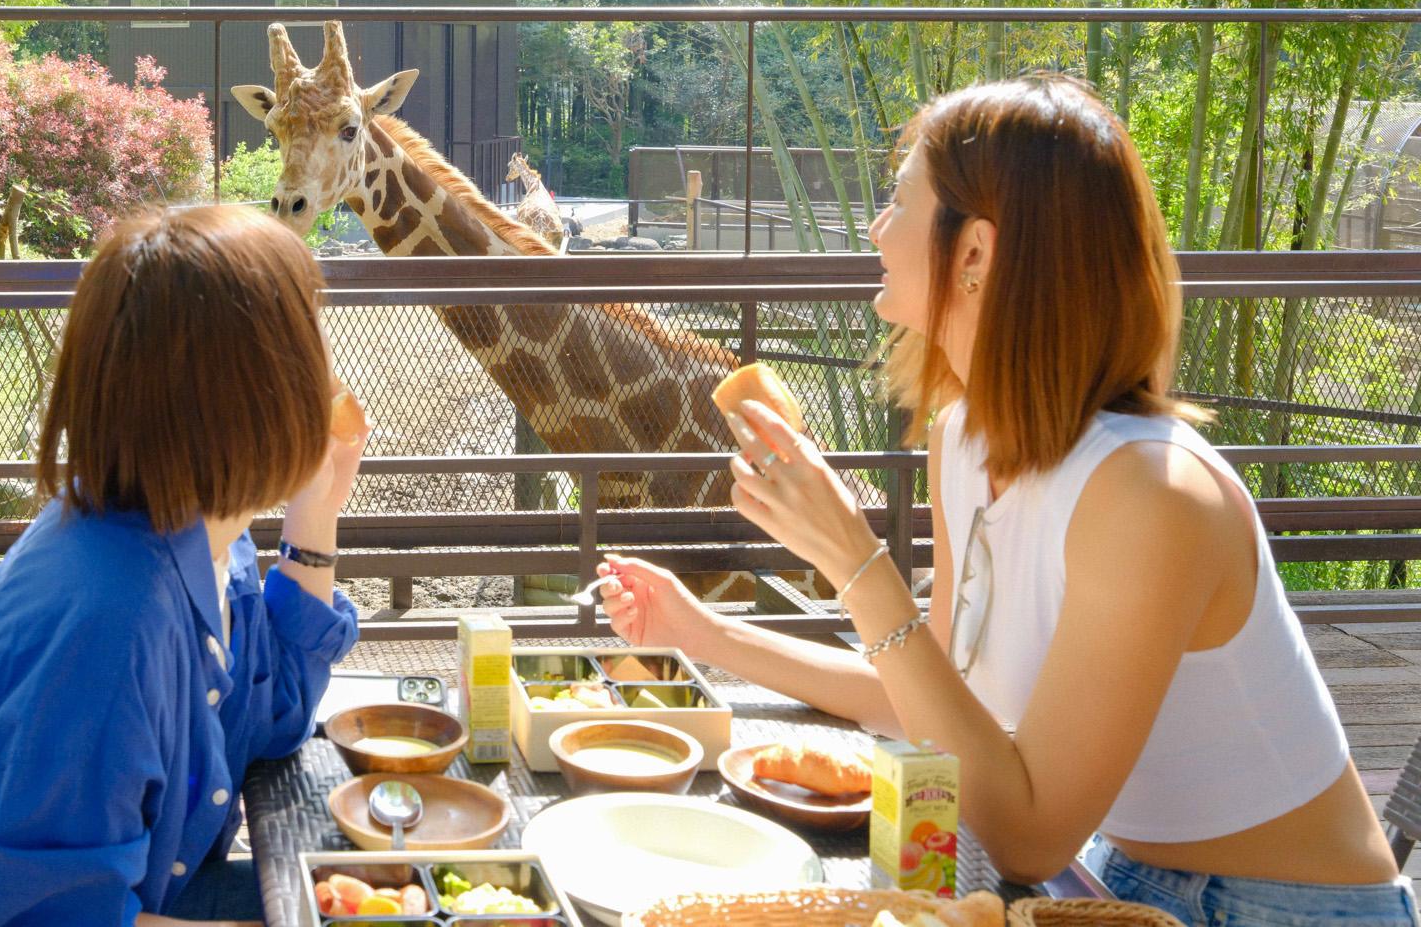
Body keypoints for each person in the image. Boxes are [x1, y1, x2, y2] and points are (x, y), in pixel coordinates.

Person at [601, 75, 1415, 925]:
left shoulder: (1153, 494)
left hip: (1280, 910)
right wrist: (698, 632)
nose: (878, 228)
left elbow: (1029, 838)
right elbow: (928, 696)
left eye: (899, 201)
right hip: (1106, 879)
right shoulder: (964, 436)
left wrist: (854, 557)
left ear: (977, 252)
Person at [0, 204, 365, 927]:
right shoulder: (104, 627)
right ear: (250, 394)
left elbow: (277, 715)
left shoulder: (199, 532)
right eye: (310, 340)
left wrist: (317, 505)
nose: (328, 370)